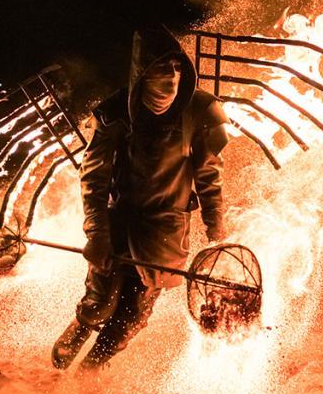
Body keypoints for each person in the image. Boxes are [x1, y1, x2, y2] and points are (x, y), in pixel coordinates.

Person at [51, 23, 231, 373]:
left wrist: (216, 229)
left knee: (132, 316)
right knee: (100, 301)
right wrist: (97, 235)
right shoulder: (115, 113)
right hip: (119, 226)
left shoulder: (198, 110)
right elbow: (94, 178)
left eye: (178, 67)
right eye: (163, 67)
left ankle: (91, 371)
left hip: (165, 231)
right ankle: (82, 325)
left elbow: (209, 175)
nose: (172, 76)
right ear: (143, 73)